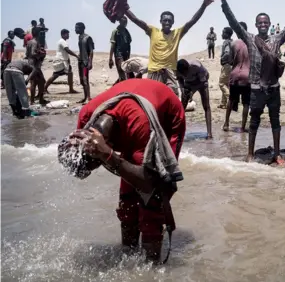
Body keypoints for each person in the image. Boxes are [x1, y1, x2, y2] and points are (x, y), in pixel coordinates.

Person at [59, 78, 186, 262]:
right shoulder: (86, 119)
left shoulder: (139, 124)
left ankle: (152, 268)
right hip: (129, 115)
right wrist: (108, 156)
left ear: (106, 144)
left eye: (96, 166)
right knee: (128, 202)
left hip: (166, 115)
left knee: (153, 200)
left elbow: (148, 183)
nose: (98, 169)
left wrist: (108, 156)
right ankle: (128, 254)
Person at [214, 0, 285, 164]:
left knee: (275, 121)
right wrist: (223, 1)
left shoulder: (277, 38)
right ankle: (249, 154)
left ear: (269, 24)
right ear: (256, 25)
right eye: (260, 22)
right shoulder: (249, 38)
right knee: (254, 122)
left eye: (265, 22)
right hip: (256, 88)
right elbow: (232, 21)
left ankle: (277, 154)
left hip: (273, 88)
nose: (263, 25)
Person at [125, 0, 215, 96]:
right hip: (154, 71)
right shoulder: (153, 31)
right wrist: (125, 9)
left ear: (173, 22)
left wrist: (203, 6)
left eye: (169, 20)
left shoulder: (177, 33)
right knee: (152, 98)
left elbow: (192, 21)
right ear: (161, 21)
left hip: (170, 73)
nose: (167, 22)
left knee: (172, 98)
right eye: (165, 20)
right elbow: (136, 20)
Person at [223, 22, 250, 133]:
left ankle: (226, 123)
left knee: (231, 99)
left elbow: (229, 60)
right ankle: (243, 127)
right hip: (247, 76)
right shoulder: (251, 43)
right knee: (246, 103)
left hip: (235, 74)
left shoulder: (234, 43)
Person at [176, 59, 212, 139]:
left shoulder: (196, 66)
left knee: (206, 106)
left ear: (188, 68)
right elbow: (180, 80)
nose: (184, 75)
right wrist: (183, 90)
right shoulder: (177, 69)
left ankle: (209, 134)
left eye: (185, 73)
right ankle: (178, 132)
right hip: (189, 83)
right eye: (183, 74)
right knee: (182, 107)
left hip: (202, 81)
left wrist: (192, 92)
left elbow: (203, 81)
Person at [45, 29, 80, 94]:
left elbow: (65, 52)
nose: (68, 35)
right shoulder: (62, 41)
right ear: (63, 35)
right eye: (67, 34)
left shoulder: (62, 41)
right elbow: (67, 50)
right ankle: (45, 88)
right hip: (60, 61)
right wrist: (76, 56)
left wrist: (68, 60)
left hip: (63, 60)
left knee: (69, 73)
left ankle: (71, 89)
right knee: (55, 75)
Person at [25, 27, 48, 105]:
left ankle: (33, 101)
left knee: (35, 82)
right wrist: (42, 54)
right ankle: (38, 100)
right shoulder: (35, 42)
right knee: (40, 82)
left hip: (30, 63)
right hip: (35, 65)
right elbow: (33, 53)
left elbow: (27, 54)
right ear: (38, 33)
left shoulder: (29, 42)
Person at [109, 17, 134, 84]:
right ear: (120, 22)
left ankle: (115, 86)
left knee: (127, 73)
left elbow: (129, 44)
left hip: (126, 54)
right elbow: (112, 46)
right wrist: (110, 59)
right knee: (122, 71)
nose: (125, 24)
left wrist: (128, 56)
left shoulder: (126, 32)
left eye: (126, 23)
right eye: (123, 22)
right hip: (118, 54)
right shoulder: (116, 31)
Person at [75, 22, 95, 104]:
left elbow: (91, 51)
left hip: (86, 62)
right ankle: (85, 97)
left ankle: (88, 98)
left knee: (85, 79)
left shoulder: (88, 38)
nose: (75, 29)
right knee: (82, 81)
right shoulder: (80, 37)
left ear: (81, 28)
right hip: (80, 61)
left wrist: (90, 62)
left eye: (77, 28)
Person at [218, 27, 233, 109]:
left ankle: (230, 98)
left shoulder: (226, 42)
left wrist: (222, 58)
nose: (222, 34)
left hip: (226, 65)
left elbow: (227, 53)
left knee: (221, 84)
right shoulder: (232, 42)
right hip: (230, 66)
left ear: (227, 34)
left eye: (223, 32)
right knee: (226, 84)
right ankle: (223, 103)